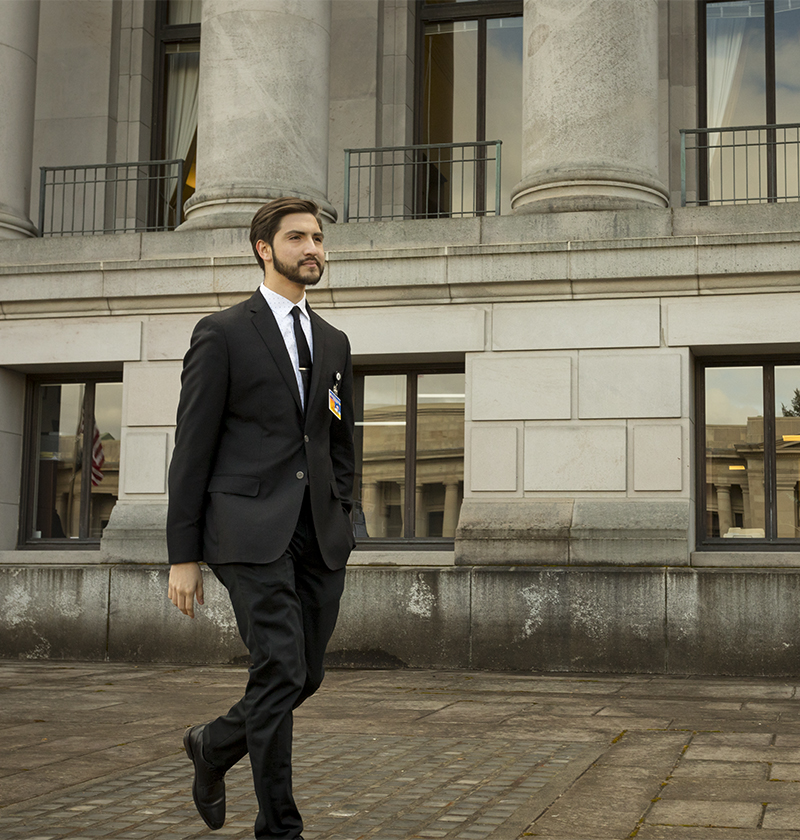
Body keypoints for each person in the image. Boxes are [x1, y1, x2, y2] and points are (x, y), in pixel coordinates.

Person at [166, 197, 355, 839]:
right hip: (245, 529)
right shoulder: (221, 332)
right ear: (263, 249)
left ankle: (214, 745)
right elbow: (191, 449)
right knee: (279, 666)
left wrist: (344, 511)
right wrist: (182, 555)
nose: (313, 249)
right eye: (298, 238)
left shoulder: (333, 341)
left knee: (303, 674)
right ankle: (280, 829)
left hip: (318, 534)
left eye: (319, 239)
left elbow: (338, 440)